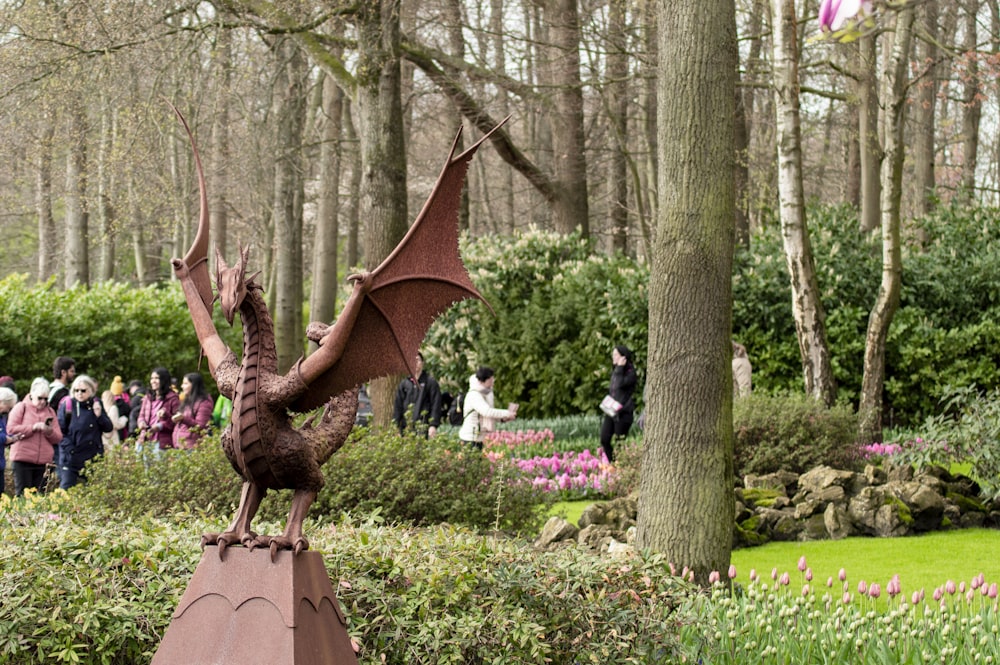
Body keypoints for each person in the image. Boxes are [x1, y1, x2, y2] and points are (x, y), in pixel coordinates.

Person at [7, 377, 62, 496]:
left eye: (46, 399)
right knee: (22, 495)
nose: (43, 402)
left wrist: (49, 431)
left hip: (43, 461)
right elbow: (11, 429)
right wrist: (33, 427)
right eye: (40, 398)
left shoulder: (51, 412)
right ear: (32, 395)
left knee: (40, 496)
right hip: (23, 459)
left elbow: (58, 437)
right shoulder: (21, 407)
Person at [59, 375, 112, 489]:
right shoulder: (68, 406)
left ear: (91, 390)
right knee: (65, 491)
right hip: (72, 459)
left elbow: (108, 427)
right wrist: (71, 450)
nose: (79, 393)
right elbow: (60, 432)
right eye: (76, 390)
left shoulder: (96, 404)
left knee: (95, 492)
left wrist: (99, 416)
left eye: (83, 390)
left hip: (92, 458)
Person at [458, 366, 518, 451]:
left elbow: (490, 414)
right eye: (491, 379)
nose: (493, 381)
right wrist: (507, 413)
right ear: (482, 380)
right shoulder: (474, 395)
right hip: (470, 438)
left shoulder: (486, 393)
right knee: (471, 463)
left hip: (478, 438)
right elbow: (487, 412)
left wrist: (503, 419)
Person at [599, 345, 637, 463]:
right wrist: (618, 368)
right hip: (612, 411)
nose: (613, 357)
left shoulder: (631, 373)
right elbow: (613, 388)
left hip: (624, 413)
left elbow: (620, 384)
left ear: (623, 358)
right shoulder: (616, 370)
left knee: (619, 442)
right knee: (604, 439)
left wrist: (620, 367)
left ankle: (620, 466)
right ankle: (613, 463)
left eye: (616, 355)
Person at [392, 352, 443, 437]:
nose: (415, 363)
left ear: (422, 363)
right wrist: (395, 426)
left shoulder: (430, 382)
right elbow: (398, 406)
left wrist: (433, 425)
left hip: (423, 427)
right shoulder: (404, 383)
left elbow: (436, 405)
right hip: (406, 428)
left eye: (417, 360)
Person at [135, 367, 180, 451]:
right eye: (152, 378)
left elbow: (176, 421)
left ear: (164, 380)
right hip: (144, 439)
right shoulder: (147, 397)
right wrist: (141, 423)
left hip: (161, 442)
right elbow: (141, 415)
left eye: (156, 378)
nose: (153, 381)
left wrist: (160, 426)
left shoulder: (173, 398)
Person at [48, 356, 75, 479]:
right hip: (58, 435)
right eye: (72, 371)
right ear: (63, 372)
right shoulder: (60, 393)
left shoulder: (49, 389)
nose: (73, 374)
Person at [171, 372, 214, 449]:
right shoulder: (187, 400)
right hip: (180, 446)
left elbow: (200, 426)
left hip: (192, 447)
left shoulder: (204, 402)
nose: (182, 386)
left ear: (194, 385)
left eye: (185, 383)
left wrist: (183, 418)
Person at [0, 386, 19, 495]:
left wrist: (12, 438)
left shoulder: (2, 418)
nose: (9, 410)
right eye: (8, 407)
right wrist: (4, 439)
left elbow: (4, 432)